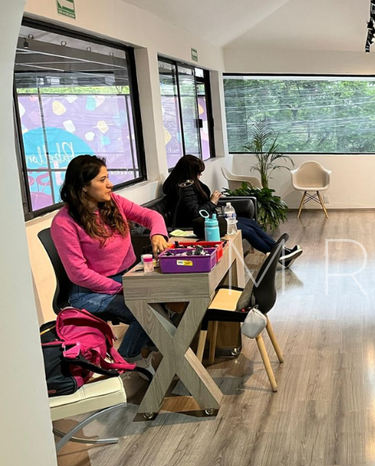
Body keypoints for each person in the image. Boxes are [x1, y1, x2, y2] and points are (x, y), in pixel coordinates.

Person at [51, 155, 168, 378]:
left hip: (127, 277)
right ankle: (124, 363)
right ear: (84, 186)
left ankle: (147, 350)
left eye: (108, 178)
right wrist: (124, 288)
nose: (110, 184)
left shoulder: (113, 203)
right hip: (89, 291)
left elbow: (151, 216)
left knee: (166, 298)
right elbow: (79, 274)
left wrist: (157, 234)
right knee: (146, 310)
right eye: (102, 180)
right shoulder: (64, 223)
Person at [162, 155, 302, 268]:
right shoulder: (186, 187)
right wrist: (212, 202)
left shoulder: (185, 184)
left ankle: (282, 252)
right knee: (247, 231)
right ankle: (280, 255)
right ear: (190, 172)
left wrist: (212, 201)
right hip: (198, 226)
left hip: (208, 220)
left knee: (251, 223)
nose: (200, 175)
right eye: (198, 172)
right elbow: (196, 213)